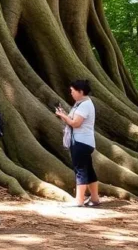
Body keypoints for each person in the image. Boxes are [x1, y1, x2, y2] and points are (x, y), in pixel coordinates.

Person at [56, 78, 100, 207]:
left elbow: (76, 123)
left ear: (80, 91)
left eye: (72, 91)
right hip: (83, 141)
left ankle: (79, 200)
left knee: (80, 170)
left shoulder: (85, 104)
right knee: (89, 170)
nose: (71, 93)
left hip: (81, 142)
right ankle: (95, 198)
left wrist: (62, 116)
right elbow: (74, 120)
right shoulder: (81, 103)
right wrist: (64, 114)